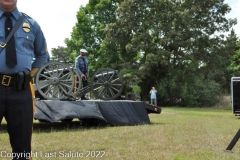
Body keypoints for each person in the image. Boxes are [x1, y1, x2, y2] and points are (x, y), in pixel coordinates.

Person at [0, 0, 49, 160]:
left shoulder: (31, 24)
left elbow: (42, 54)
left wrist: (30, 74)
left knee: (22, 147)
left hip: (21, 91)